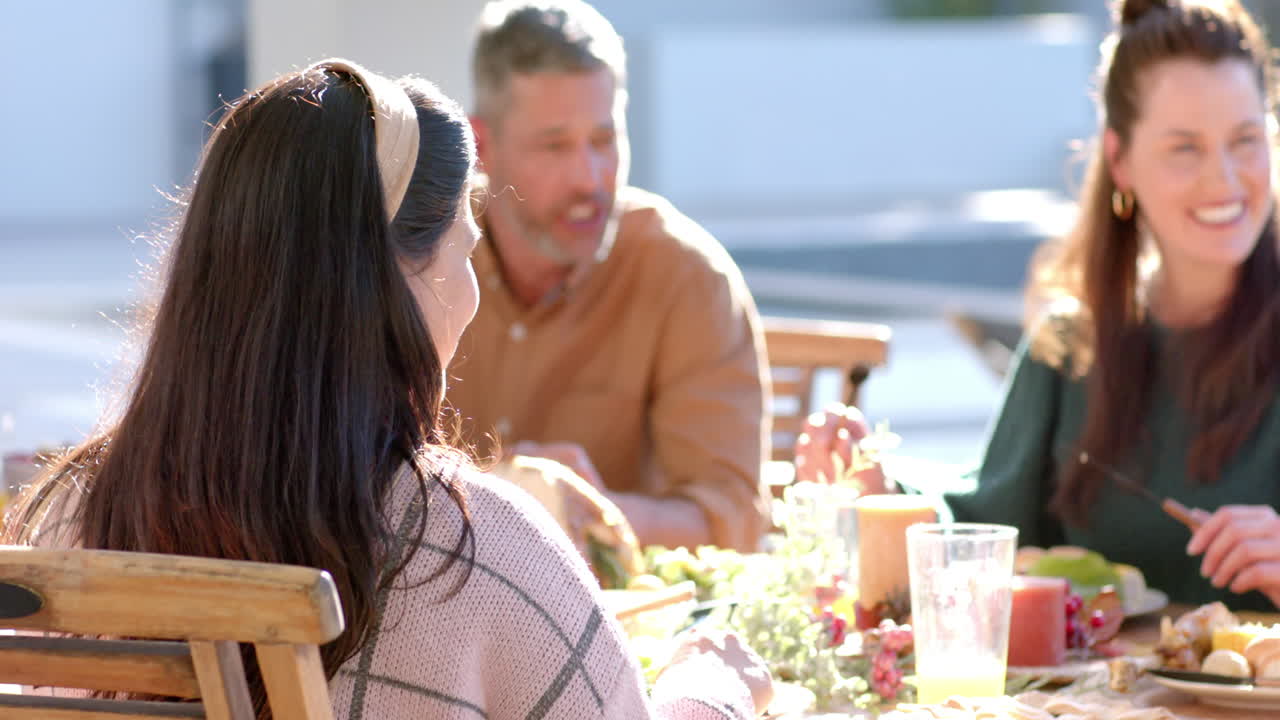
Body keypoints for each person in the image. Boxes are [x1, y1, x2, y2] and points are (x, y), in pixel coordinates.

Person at [3, 60, 773, 718]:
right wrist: (711, 689)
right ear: (396, 280)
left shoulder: (64, 521)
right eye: (463, 254)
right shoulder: (473, 550)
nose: (471, 293)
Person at [796, 0, 1280, 611]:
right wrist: (881, 485)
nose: (1227, 179)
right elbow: (987, 524)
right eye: (1185, 148)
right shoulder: (1071, 346)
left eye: (1246, 140)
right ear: (1120, 160)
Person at [447, 0, 771, 554]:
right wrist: (502, 493)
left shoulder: (687, 276)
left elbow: (733, 521)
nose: (589, 178)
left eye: (603, 140)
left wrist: (588, 511)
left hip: (624, 623)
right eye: (555, 146)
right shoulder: (420, 259)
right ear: (482, 147)